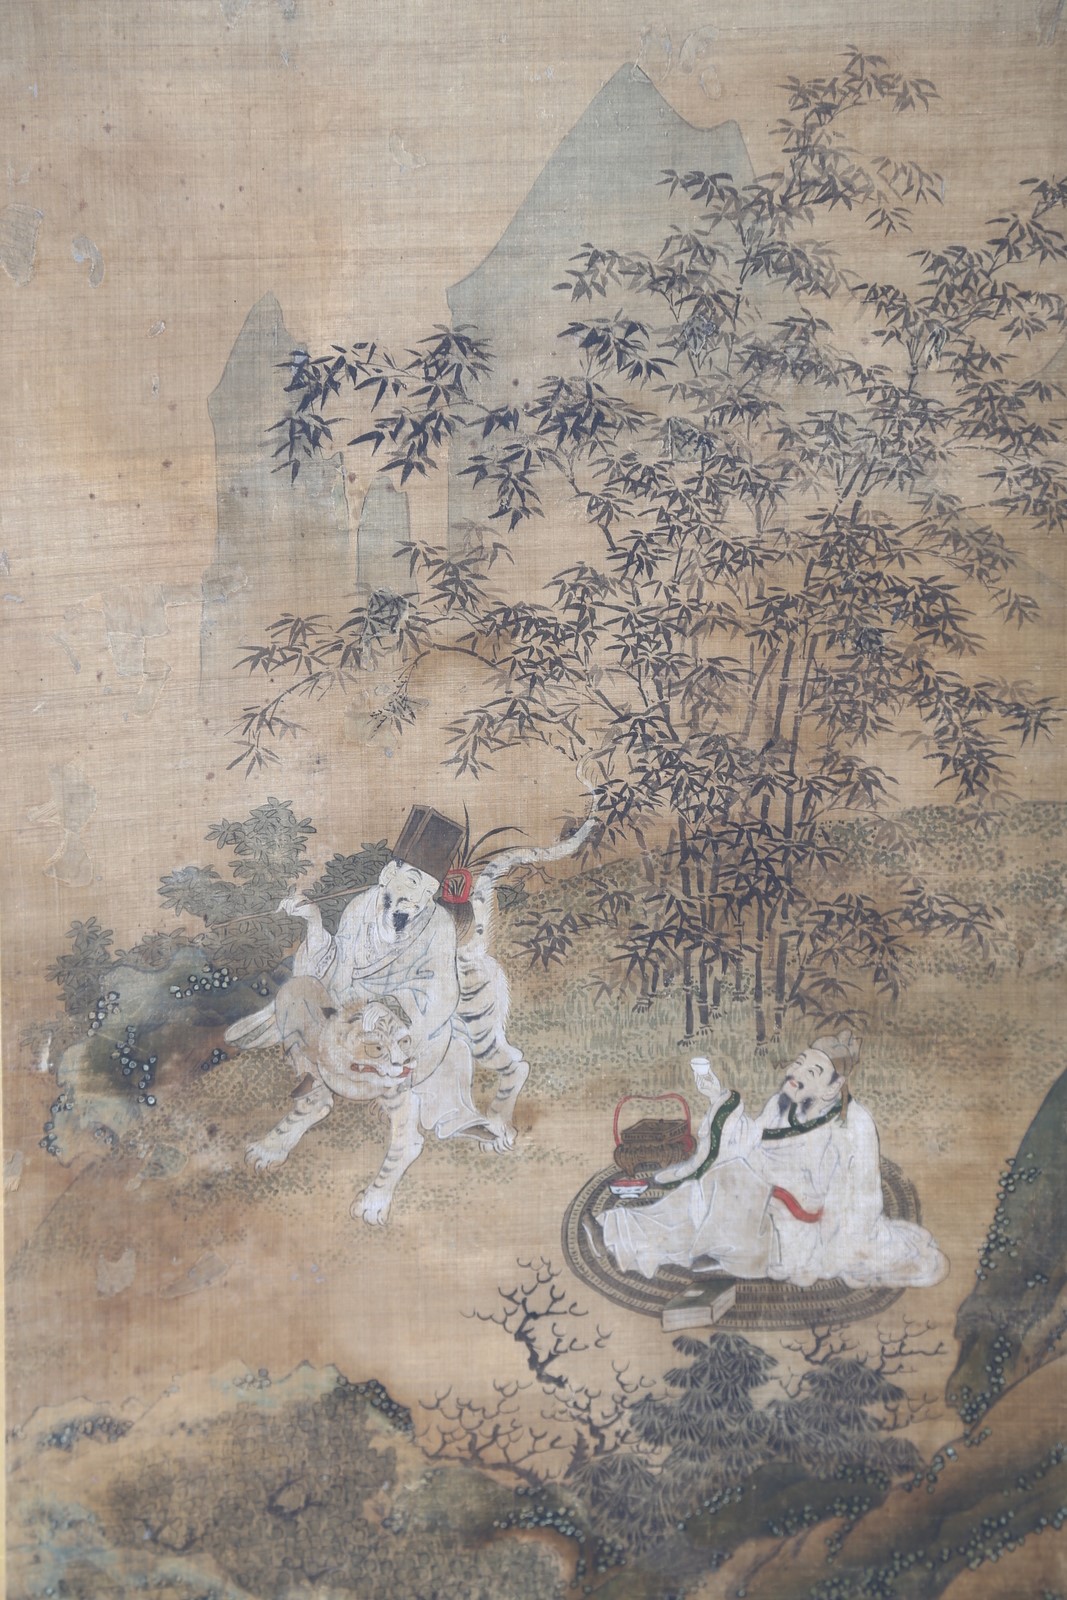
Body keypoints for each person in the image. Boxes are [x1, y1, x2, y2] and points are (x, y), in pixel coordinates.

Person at [227, 806, 511, 1223]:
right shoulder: (360, 908)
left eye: (425, 888)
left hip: (407, 1028)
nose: (414, 895)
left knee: (400, 1069)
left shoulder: (437, 925)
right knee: (297, 997)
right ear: (388, 874)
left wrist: (392, 1006)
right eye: (410, 880)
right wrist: (313, 923)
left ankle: (391, 1169)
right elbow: (335, 967)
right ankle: (313, 1101)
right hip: (352, 1018)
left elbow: (441, 989)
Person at [597, 1033, 947, 1289]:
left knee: (723, 1188)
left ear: (832, 1087)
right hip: (759, 1199)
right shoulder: (783, 1103)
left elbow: (858, 1204)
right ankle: (624, 1231)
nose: (797, 1073)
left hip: (800, 1231)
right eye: (800, 1063)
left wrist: (823, 1243)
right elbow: (750, 1141)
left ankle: (633, 1237)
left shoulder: (854, 1126)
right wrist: (716, 1095)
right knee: (711, 1188)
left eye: (812, 1072)